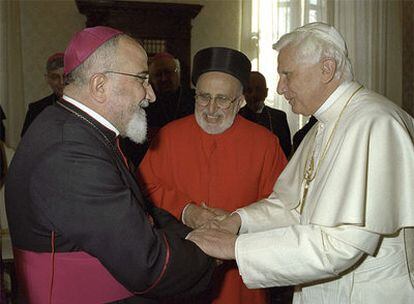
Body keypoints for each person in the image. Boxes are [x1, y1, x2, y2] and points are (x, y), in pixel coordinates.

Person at [186, 22, 414, 304]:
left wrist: (236, 247)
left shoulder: (375, 123)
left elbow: (341, 245)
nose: (280, 88)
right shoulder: (324, 124)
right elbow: (293, 205)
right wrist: (238, 221)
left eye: (287, 75)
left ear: (326, 69)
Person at [5, 26, 216, 304]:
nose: (150, 95)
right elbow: (147, 265)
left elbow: (141, 208)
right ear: (100, 85)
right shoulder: (69, 151)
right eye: (142, 79)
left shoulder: (77, 128)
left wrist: (194, 232)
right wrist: (210, 253)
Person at [138, 47, 287, 304]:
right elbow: (143, 187)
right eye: (203, 97)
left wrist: (239, 221)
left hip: (238, 269)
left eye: (223, 99)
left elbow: (282, 204)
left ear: (240, 101)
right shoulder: (168, 136)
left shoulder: (265, 143)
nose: (211, 109)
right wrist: (187, 211)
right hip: (179, 266)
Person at [239, 71, 292, 157]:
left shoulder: (278, 117)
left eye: (258, 89)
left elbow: (285, 151)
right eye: (249, 90)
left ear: (266, 92)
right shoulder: (236, 117)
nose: (253, 95)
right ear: (244, 93)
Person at [20, 52, 65, 137]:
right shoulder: (36, 109)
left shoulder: (85, 105)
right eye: (55, 77)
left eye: (65, 76)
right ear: (47, 79)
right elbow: (27, 145)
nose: (61, 82)